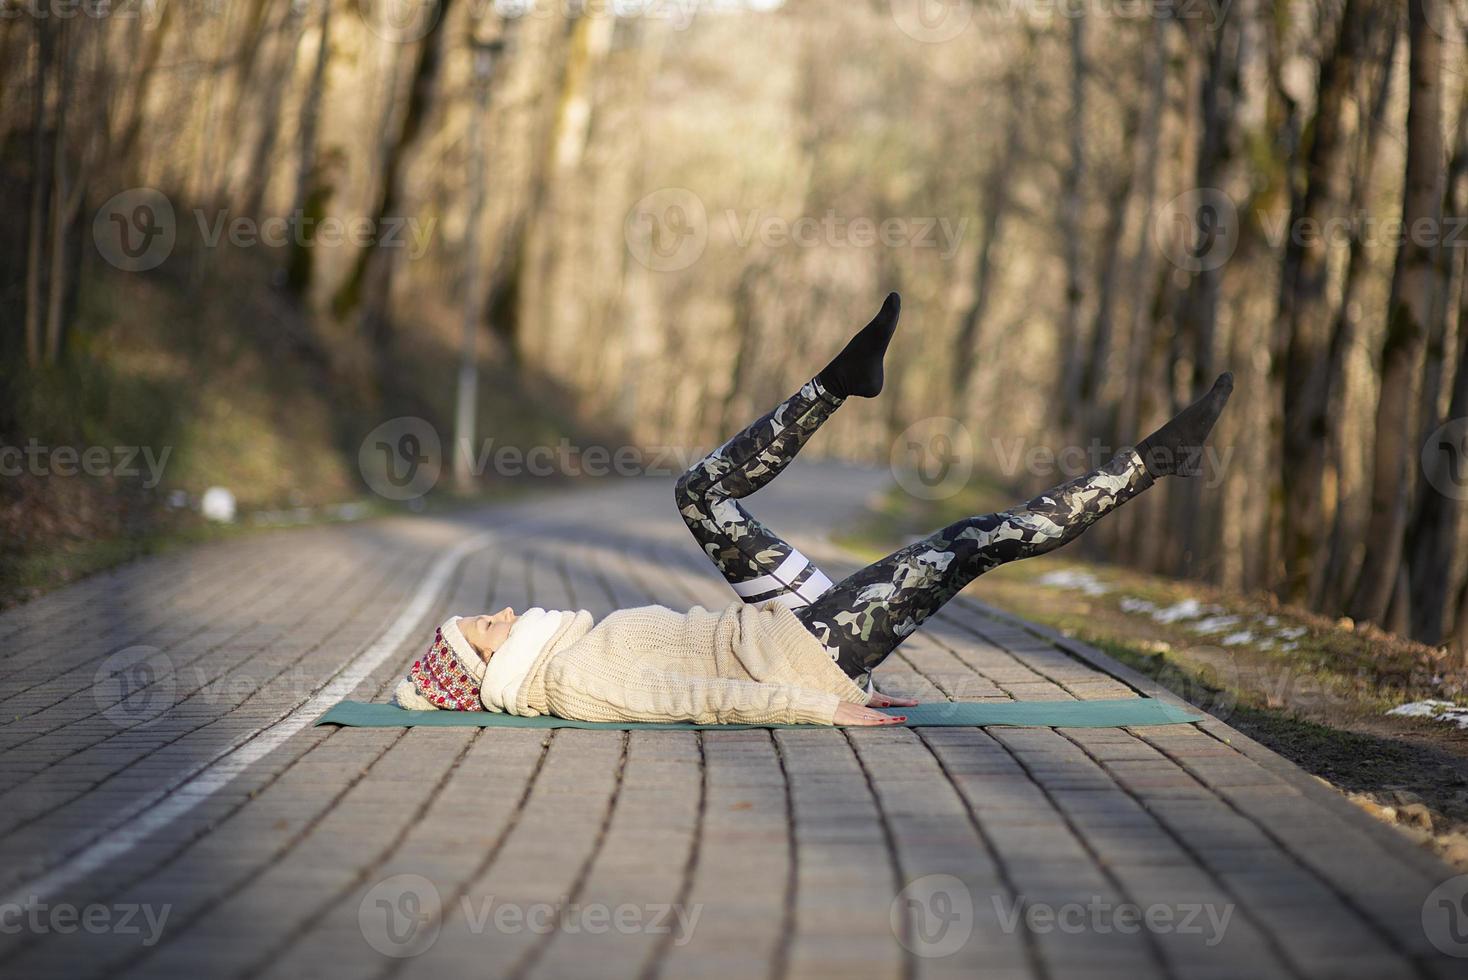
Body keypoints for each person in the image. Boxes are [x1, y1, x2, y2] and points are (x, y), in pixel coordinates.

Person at [395, 293, 1233, 726]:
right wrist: (819, 708)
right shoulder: (573, 679)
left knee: (698, 494)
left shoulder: (566, 645)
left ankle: (840, 382)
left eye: (488, 614)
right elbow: (696, 700)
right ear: (488, 669)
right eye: (487, 627)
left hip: (771, 625)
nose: (502, 611)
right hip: (802, 659)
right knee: (970, 540)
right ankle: (1151, 465)